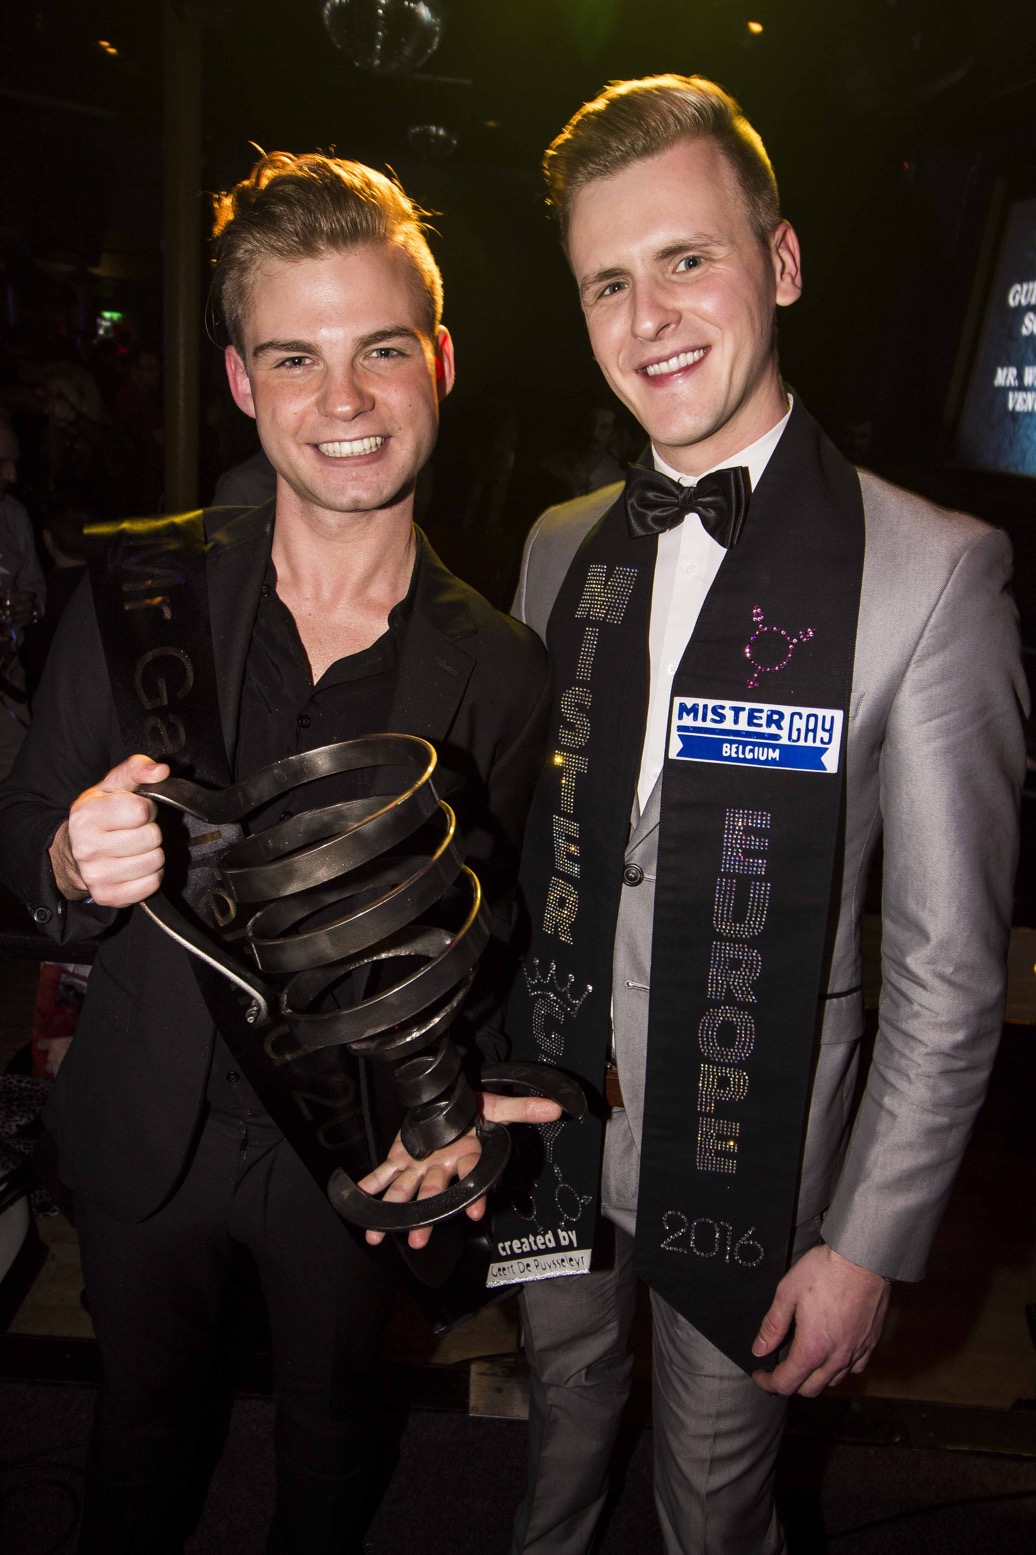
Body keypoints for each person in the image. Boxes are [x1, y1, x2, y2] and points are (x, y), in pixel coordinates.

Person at [408, 75, 1026, 1553]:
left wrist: (870, 1243)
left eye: (687, 258)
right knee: (559, 1423)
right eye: (607, 281)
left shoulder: (938, 571)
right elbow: (537, 856)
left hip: (761, 1159)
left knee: (713, 1493)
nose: (649, 318)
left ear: (783, 263)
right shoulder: (559, 545)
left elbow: (948, 972)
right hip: (559, 1115)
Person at [0, 151, 559, 1555]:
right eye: (295, 358)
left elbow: (503, 929)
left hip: (353, 1151)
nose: (344, 400)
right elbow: (20, 831)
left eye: (381, 349)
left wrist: (466, 1107)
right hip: (145, 1131)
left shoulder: (501, 665)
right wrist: (66, 857)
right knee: (138, 1439)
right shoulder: (136, 588)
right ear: (243, 383)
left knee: (332, 1442)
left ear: (438, 361)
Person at [0, 413, 45, 779]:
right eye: (2, 463)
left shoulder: (13, 516)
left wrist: (30, 606)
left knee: (19, 778)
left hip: (8, 684)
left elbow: (35, 586)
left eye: (14, 463)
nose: (12, 476)